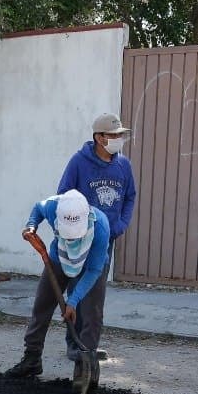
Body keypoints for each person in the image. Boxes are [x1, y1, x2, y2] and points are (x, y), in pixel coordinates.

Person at [5, 189, 111, 391]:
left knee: (91, 314)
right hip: (58, 259)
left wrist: (73, 301)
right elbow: (38, 208)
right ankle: (32, 359)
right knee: (42, 306)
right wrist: (31, 225)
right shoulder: (53, 206)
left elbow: (95, 270)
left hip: (91, 267)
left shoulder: (101, 226)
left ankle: (84, 369)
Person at [56, 112, 137, 362]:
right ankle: (73, 342)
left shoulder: (123, 165)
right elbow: (63, 195)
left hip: (105, 240)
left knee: (95, 295)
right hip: (78, 240)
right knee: (77, 291)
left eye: (120, 135)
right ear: (99, 138)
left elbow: (130, 196)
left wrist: (121, 224)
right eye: (113, 135)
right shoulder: (78, 162)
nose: (118, 139)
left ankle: (88, 346)